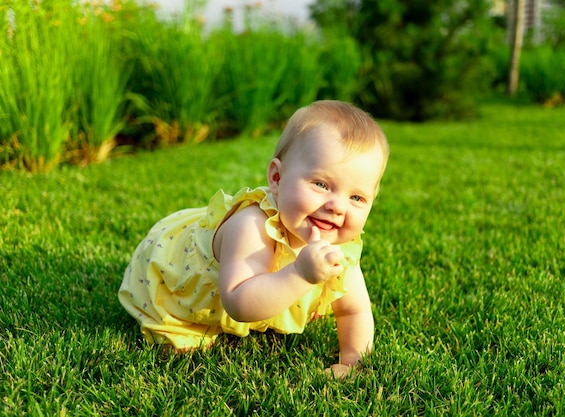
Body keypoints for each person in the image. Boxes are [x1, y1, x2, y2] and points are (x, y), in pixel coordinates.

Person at [119, 100, 389, 377]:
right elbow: (239, 303)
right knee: (181, 347)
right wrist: (299, 274)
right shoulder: (251, 226)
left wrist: (353, 362)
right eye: (321, 184)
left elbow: (353, 310)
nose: (337, 206)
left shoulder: (341, 244)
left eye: (356, 197)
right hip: (178, 277)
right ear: (277, 177)